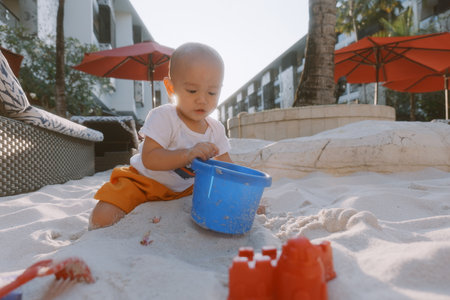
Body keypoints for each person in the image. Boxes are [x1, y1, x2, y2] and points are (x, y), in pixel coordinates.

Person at [89, 42, 232, 229]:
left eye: (212, 92)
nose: (202, 99)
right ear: (171, 88)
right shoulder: (164, 117)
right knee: (102, 218)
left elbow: (228, 168)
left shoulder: (216, 129)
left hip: (187, 190)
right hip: (144, 182)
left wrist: (243, 198)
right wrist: (187, 154)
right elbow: (150, 158)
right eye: (192, 90)